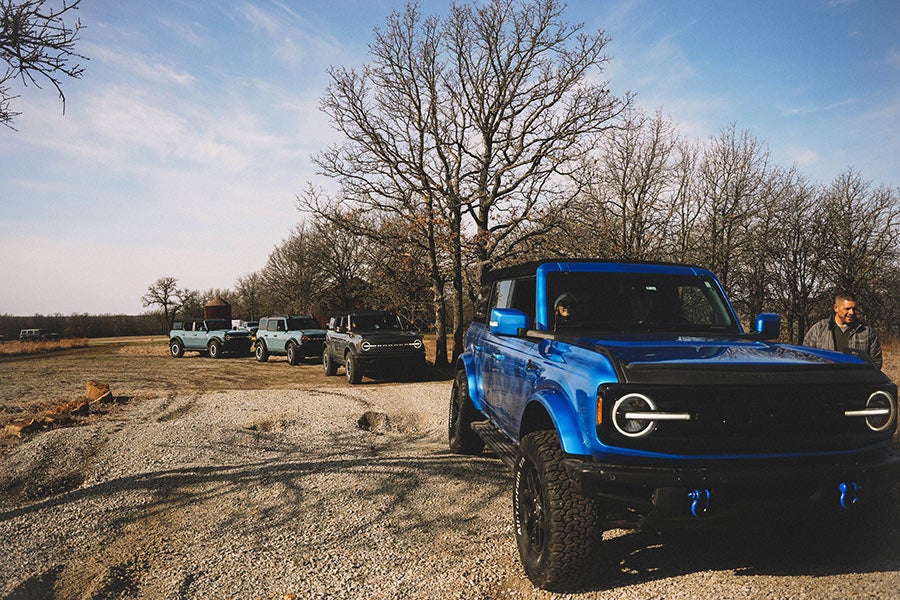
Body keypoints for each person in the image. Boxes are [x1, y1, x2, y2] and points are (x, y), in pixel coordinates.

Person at [803, 292, 883, 369]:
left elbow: (876, 362)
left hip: (856, 381)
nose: (851, 312)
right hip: (826, 380)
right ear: (836, 308)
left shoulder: (866, 332)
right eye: (847, 309)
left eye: (854, 309)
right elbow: (805, 356)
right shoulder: (818, 329)